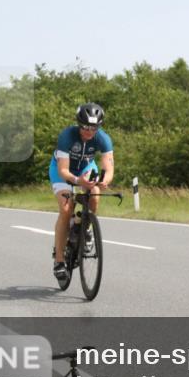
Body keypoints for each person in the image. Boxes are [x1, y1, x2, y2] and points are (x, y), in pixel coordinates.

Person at [49, 103, 114, 281]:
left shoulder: (104, 139)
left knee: (94, 194)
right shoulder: (67, 136)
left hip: (85, 167)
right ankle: (59, 261)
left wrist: (104, 181)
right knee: (66, 209)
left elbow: (108, 169)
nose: (89, 132)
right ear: (79, 124)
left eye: (93, 128)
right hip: (62, 171)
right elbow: (63, 171)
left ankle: (82, 226)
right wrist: (78, 181)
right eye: (85, 127)